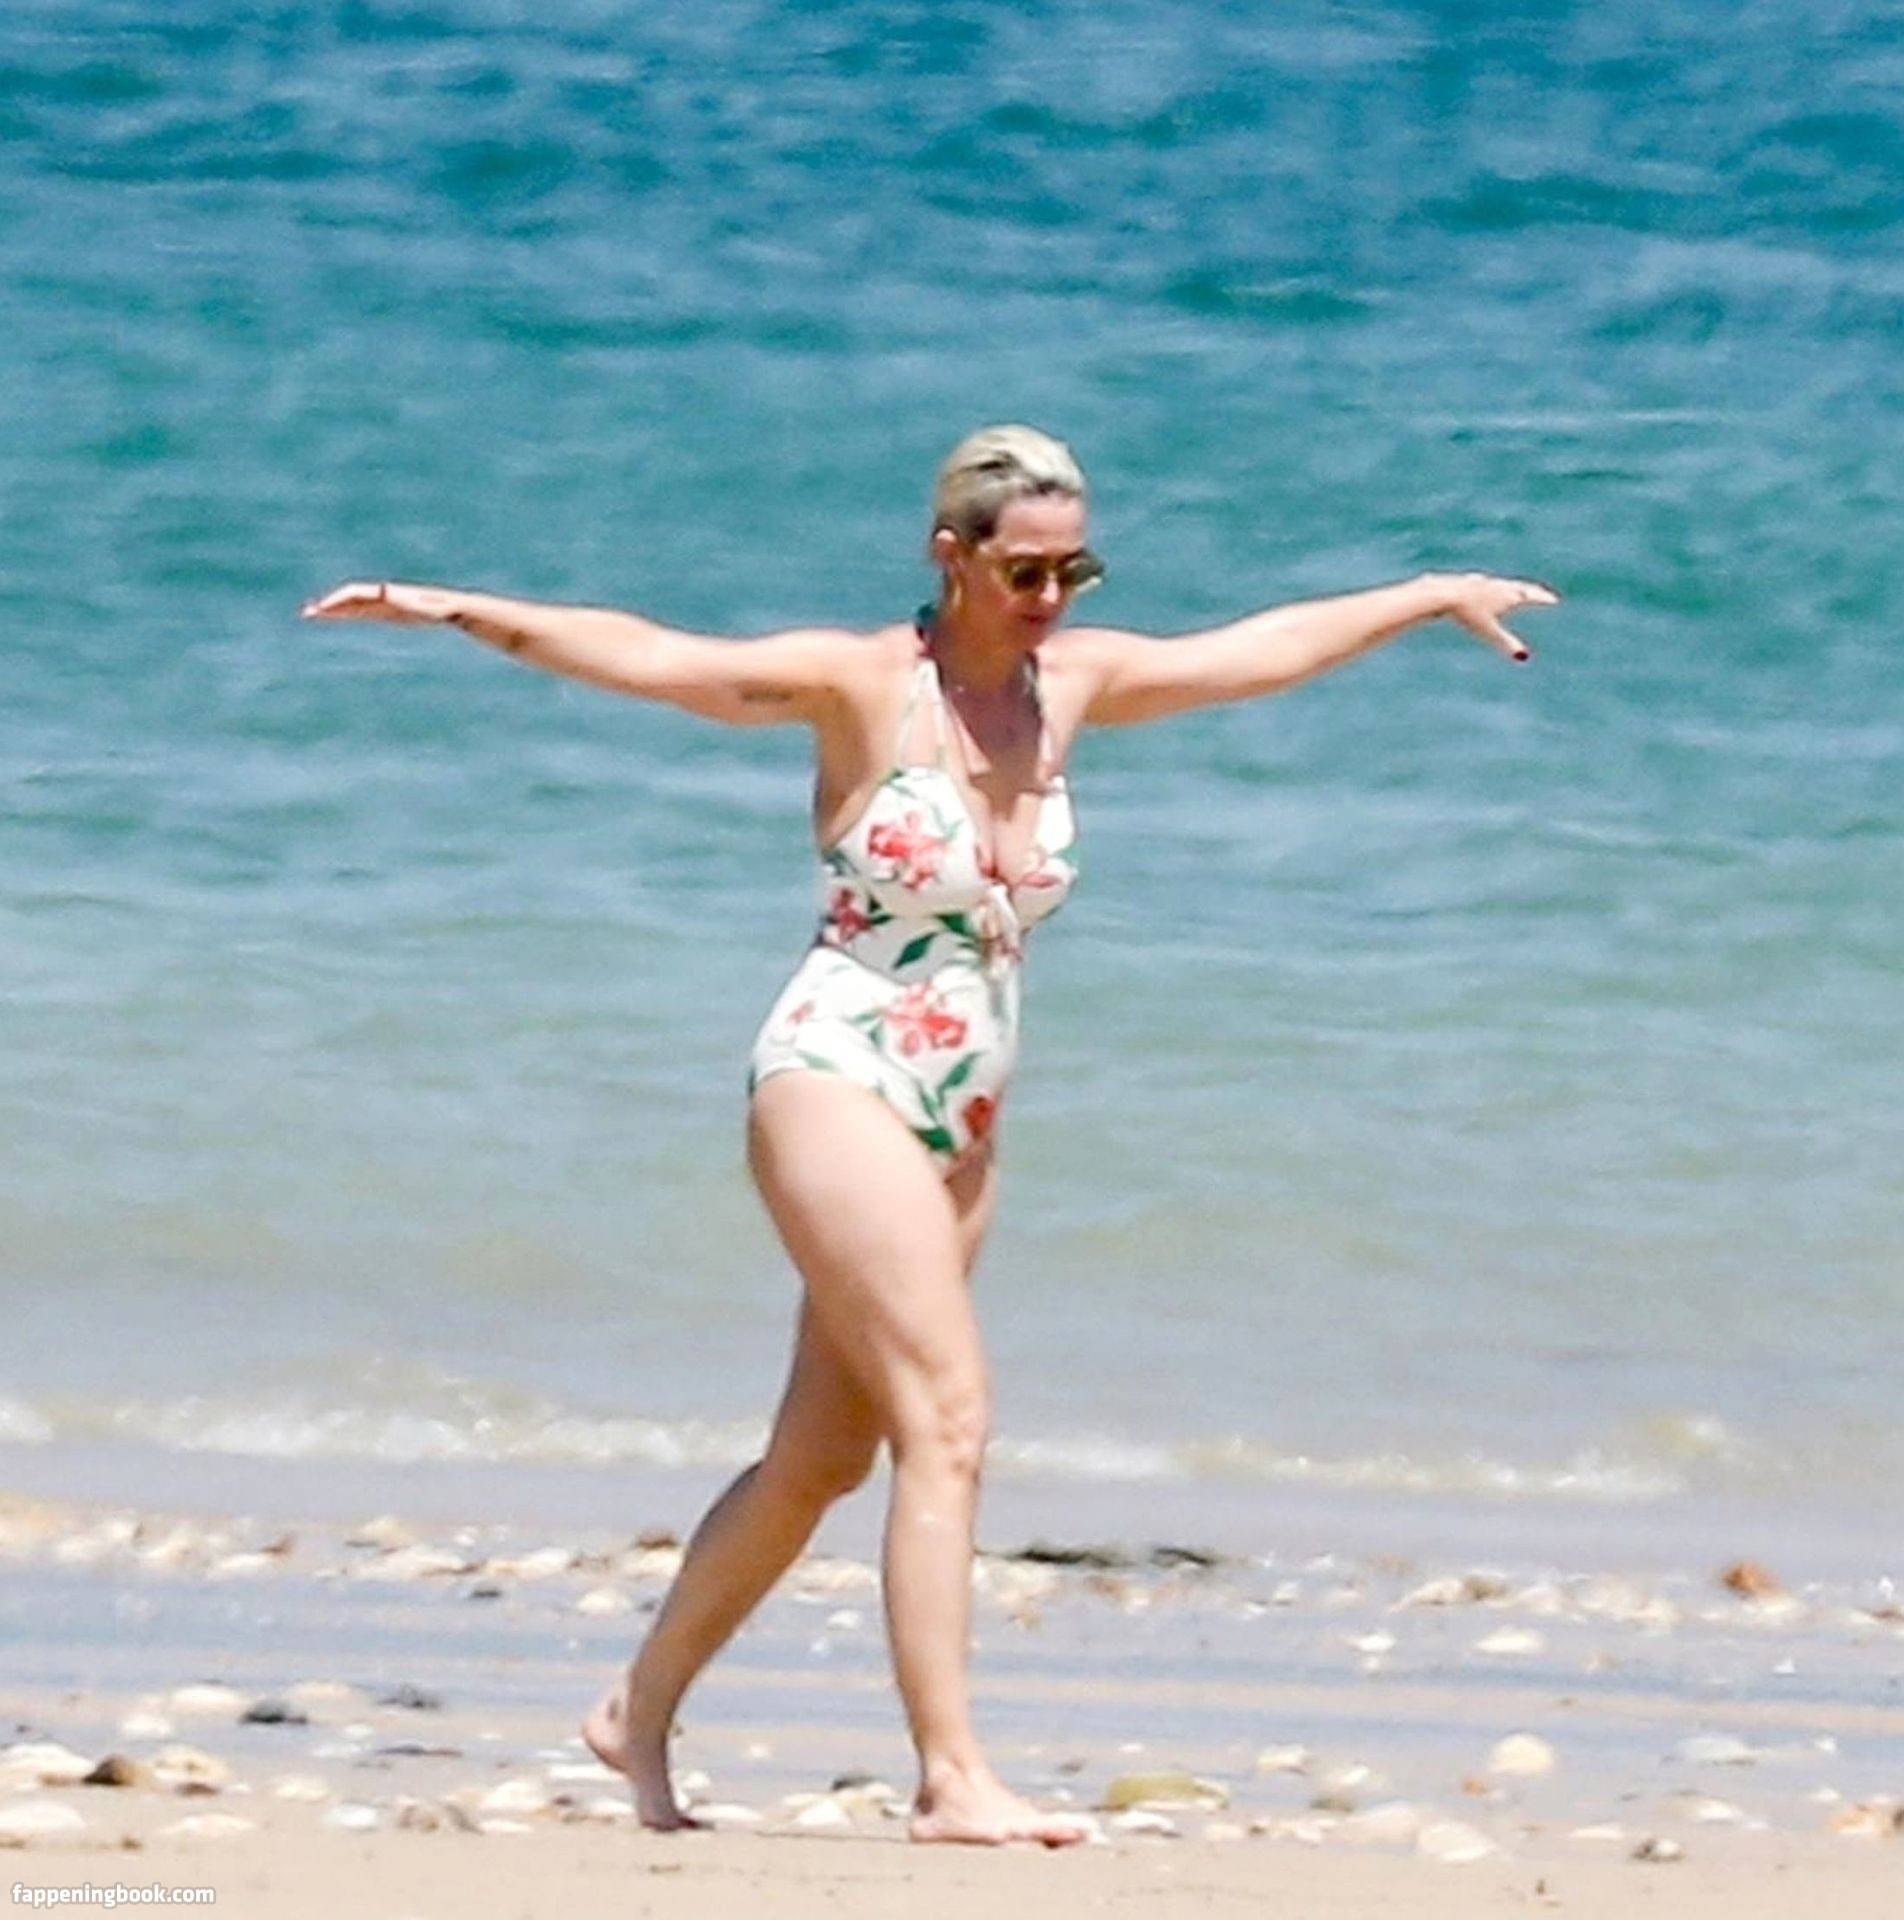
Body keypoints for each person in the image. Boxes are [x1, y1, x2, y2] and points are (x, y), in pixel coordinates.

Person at [303, 423, 1556, 1846]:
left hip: (964, 1114)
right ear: (950, 556)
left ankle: (633, 1711)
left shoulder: (1070, 685)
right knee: (948, 1417)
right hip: (837, 1074)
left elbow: (1256, 651)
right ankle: (951, 1775)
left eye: (1075, 569)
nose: (1052, 596)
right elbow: (657, 657)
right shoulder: (861, 685)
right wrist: (452, 608)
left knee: (819, 1459)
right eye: (1026, 571)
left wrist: (1428, 594)